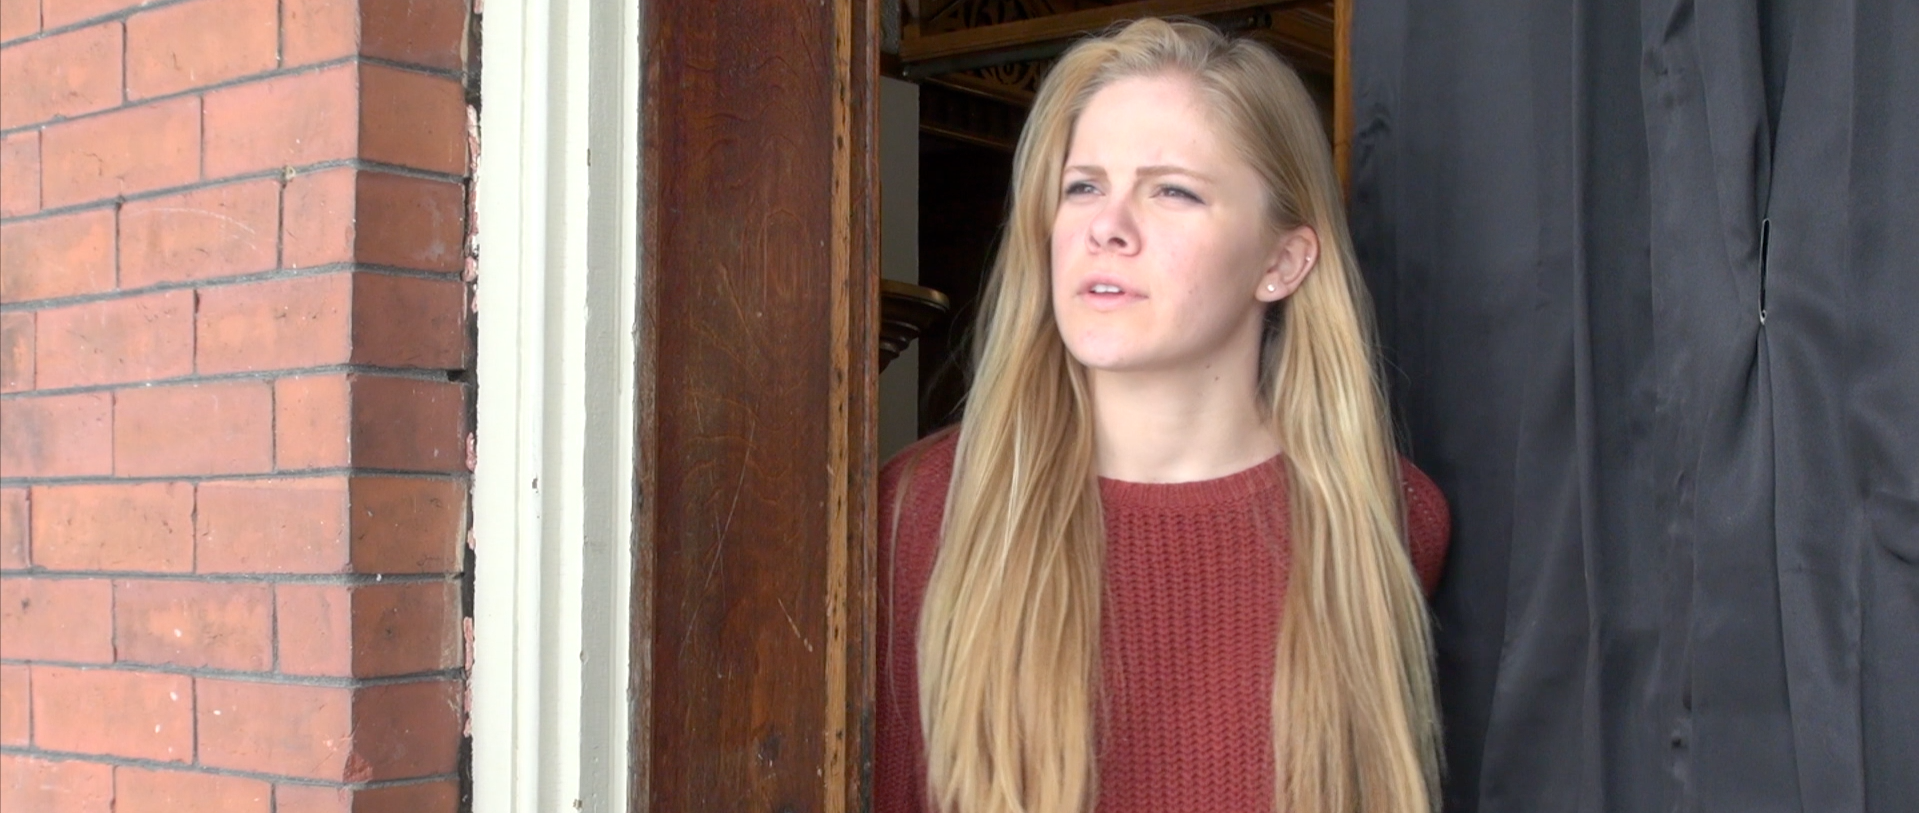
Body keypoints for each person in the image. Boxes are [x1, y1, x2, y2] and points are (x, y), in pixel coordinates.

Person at [877, 18, 1450, 813]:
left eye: (1171, 190)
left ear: (1282, 261)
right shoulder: (919, 512)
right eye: (1082, 185)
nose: (1105, 226)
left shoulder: (1385, 516)